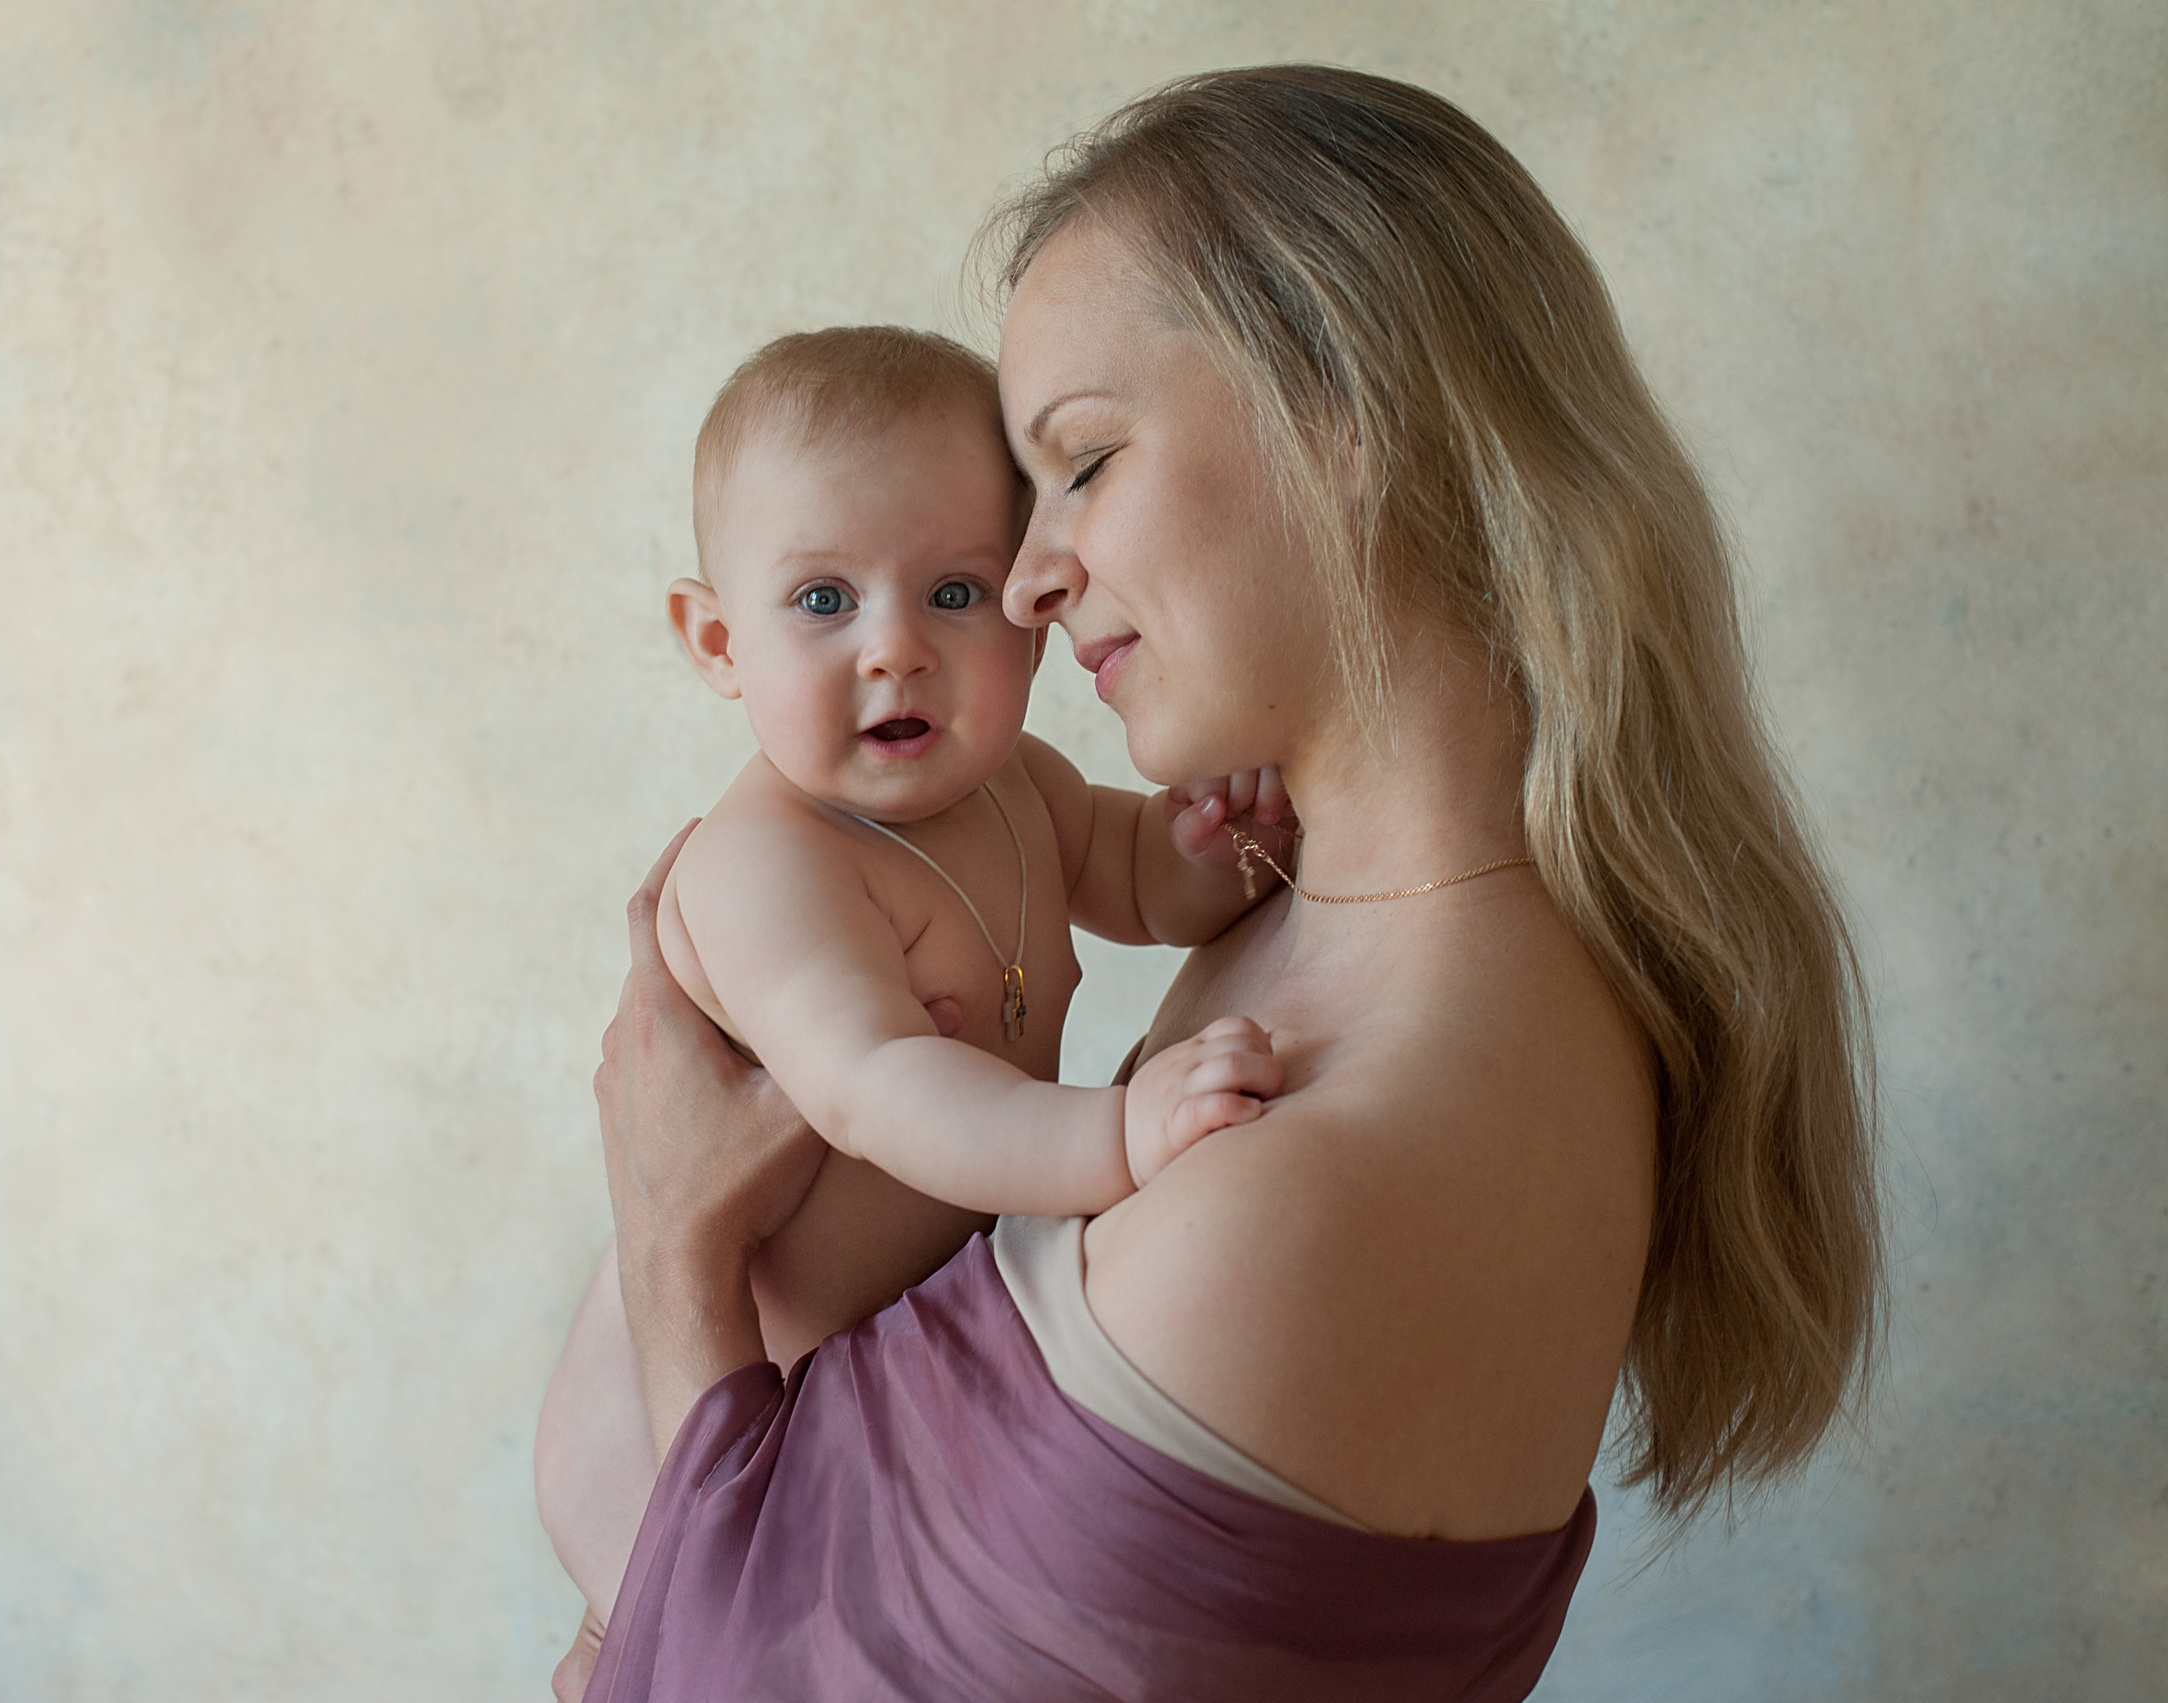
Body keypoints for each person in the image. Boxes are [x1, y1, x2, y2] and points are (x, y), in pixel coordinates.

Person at [570, 64, 1883, 1702]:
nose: (1034, 588)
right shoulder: (1336, 933)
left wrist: (673, 1257)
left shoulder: (1312, 1184)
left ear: (1355, 411)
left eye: (1088, 462)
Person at [533, 326, 1297, 1650]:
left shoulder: (1019, 794)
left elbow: (1138, 885)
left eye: (953, 593)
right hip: (668, 1428)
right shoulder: (770, 866)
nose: (896, 650)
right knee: (686, 1654)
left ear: (1030, 605)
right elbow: (880, 1088)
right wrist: (1118, 1134)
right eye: (824, 601)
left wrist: (1218, 848)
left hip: (861, 1374)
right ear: (715, 639)